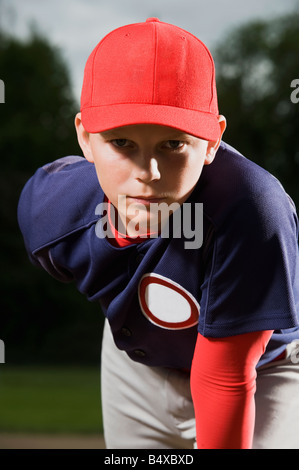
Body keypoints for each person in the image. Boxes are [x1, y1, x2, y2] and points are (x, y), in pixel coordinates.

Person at [17, 18, 299, 449]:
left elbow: (225, 375)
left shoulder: (252, 210)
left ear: (212, 142)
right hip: (138, 364)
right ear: (85, 138)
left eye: (173, 144)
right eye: (121, 143)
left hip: (266, 368)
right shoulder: (51, 211)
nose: (148, 174)